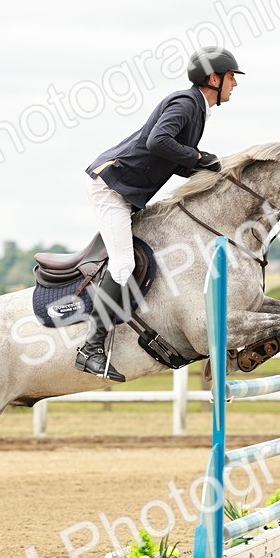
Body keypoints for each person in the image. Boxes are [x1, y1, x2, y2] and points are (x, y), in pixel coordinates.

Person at [75, 46, 244, 382]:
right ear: (214, 79)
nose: (235, 84)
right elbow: (158, 142)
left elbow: (169, 158)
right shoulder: (186, 103)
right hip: (112, 189)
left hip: (126, 191)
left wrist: (209, 167)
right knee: (123, 265)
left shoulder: (196, 108)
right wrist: (198, 158)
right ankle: (90, 348)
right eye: (231, 78)